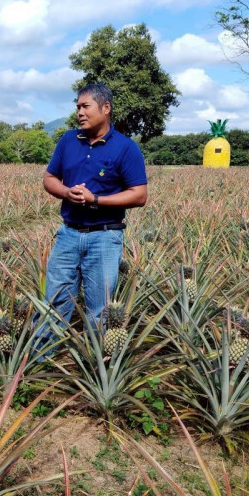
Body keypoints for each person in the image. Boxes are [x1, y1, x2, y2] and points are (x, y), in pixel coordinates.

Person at [42, 83, 147, 331]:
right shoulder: (68, 140)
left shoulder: (126, 147)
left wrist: (95, 200)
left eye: (85, 106)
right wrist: (67, 192)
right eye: (77, 107)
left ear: (105, 108)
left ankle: (94, 355)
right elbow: (49, 178)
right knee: (53, 305)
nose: (80, 112)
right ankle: (42, 353)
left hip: (105, 238)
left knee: (99, 312)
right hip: (68, 234)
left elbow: (139, 195)